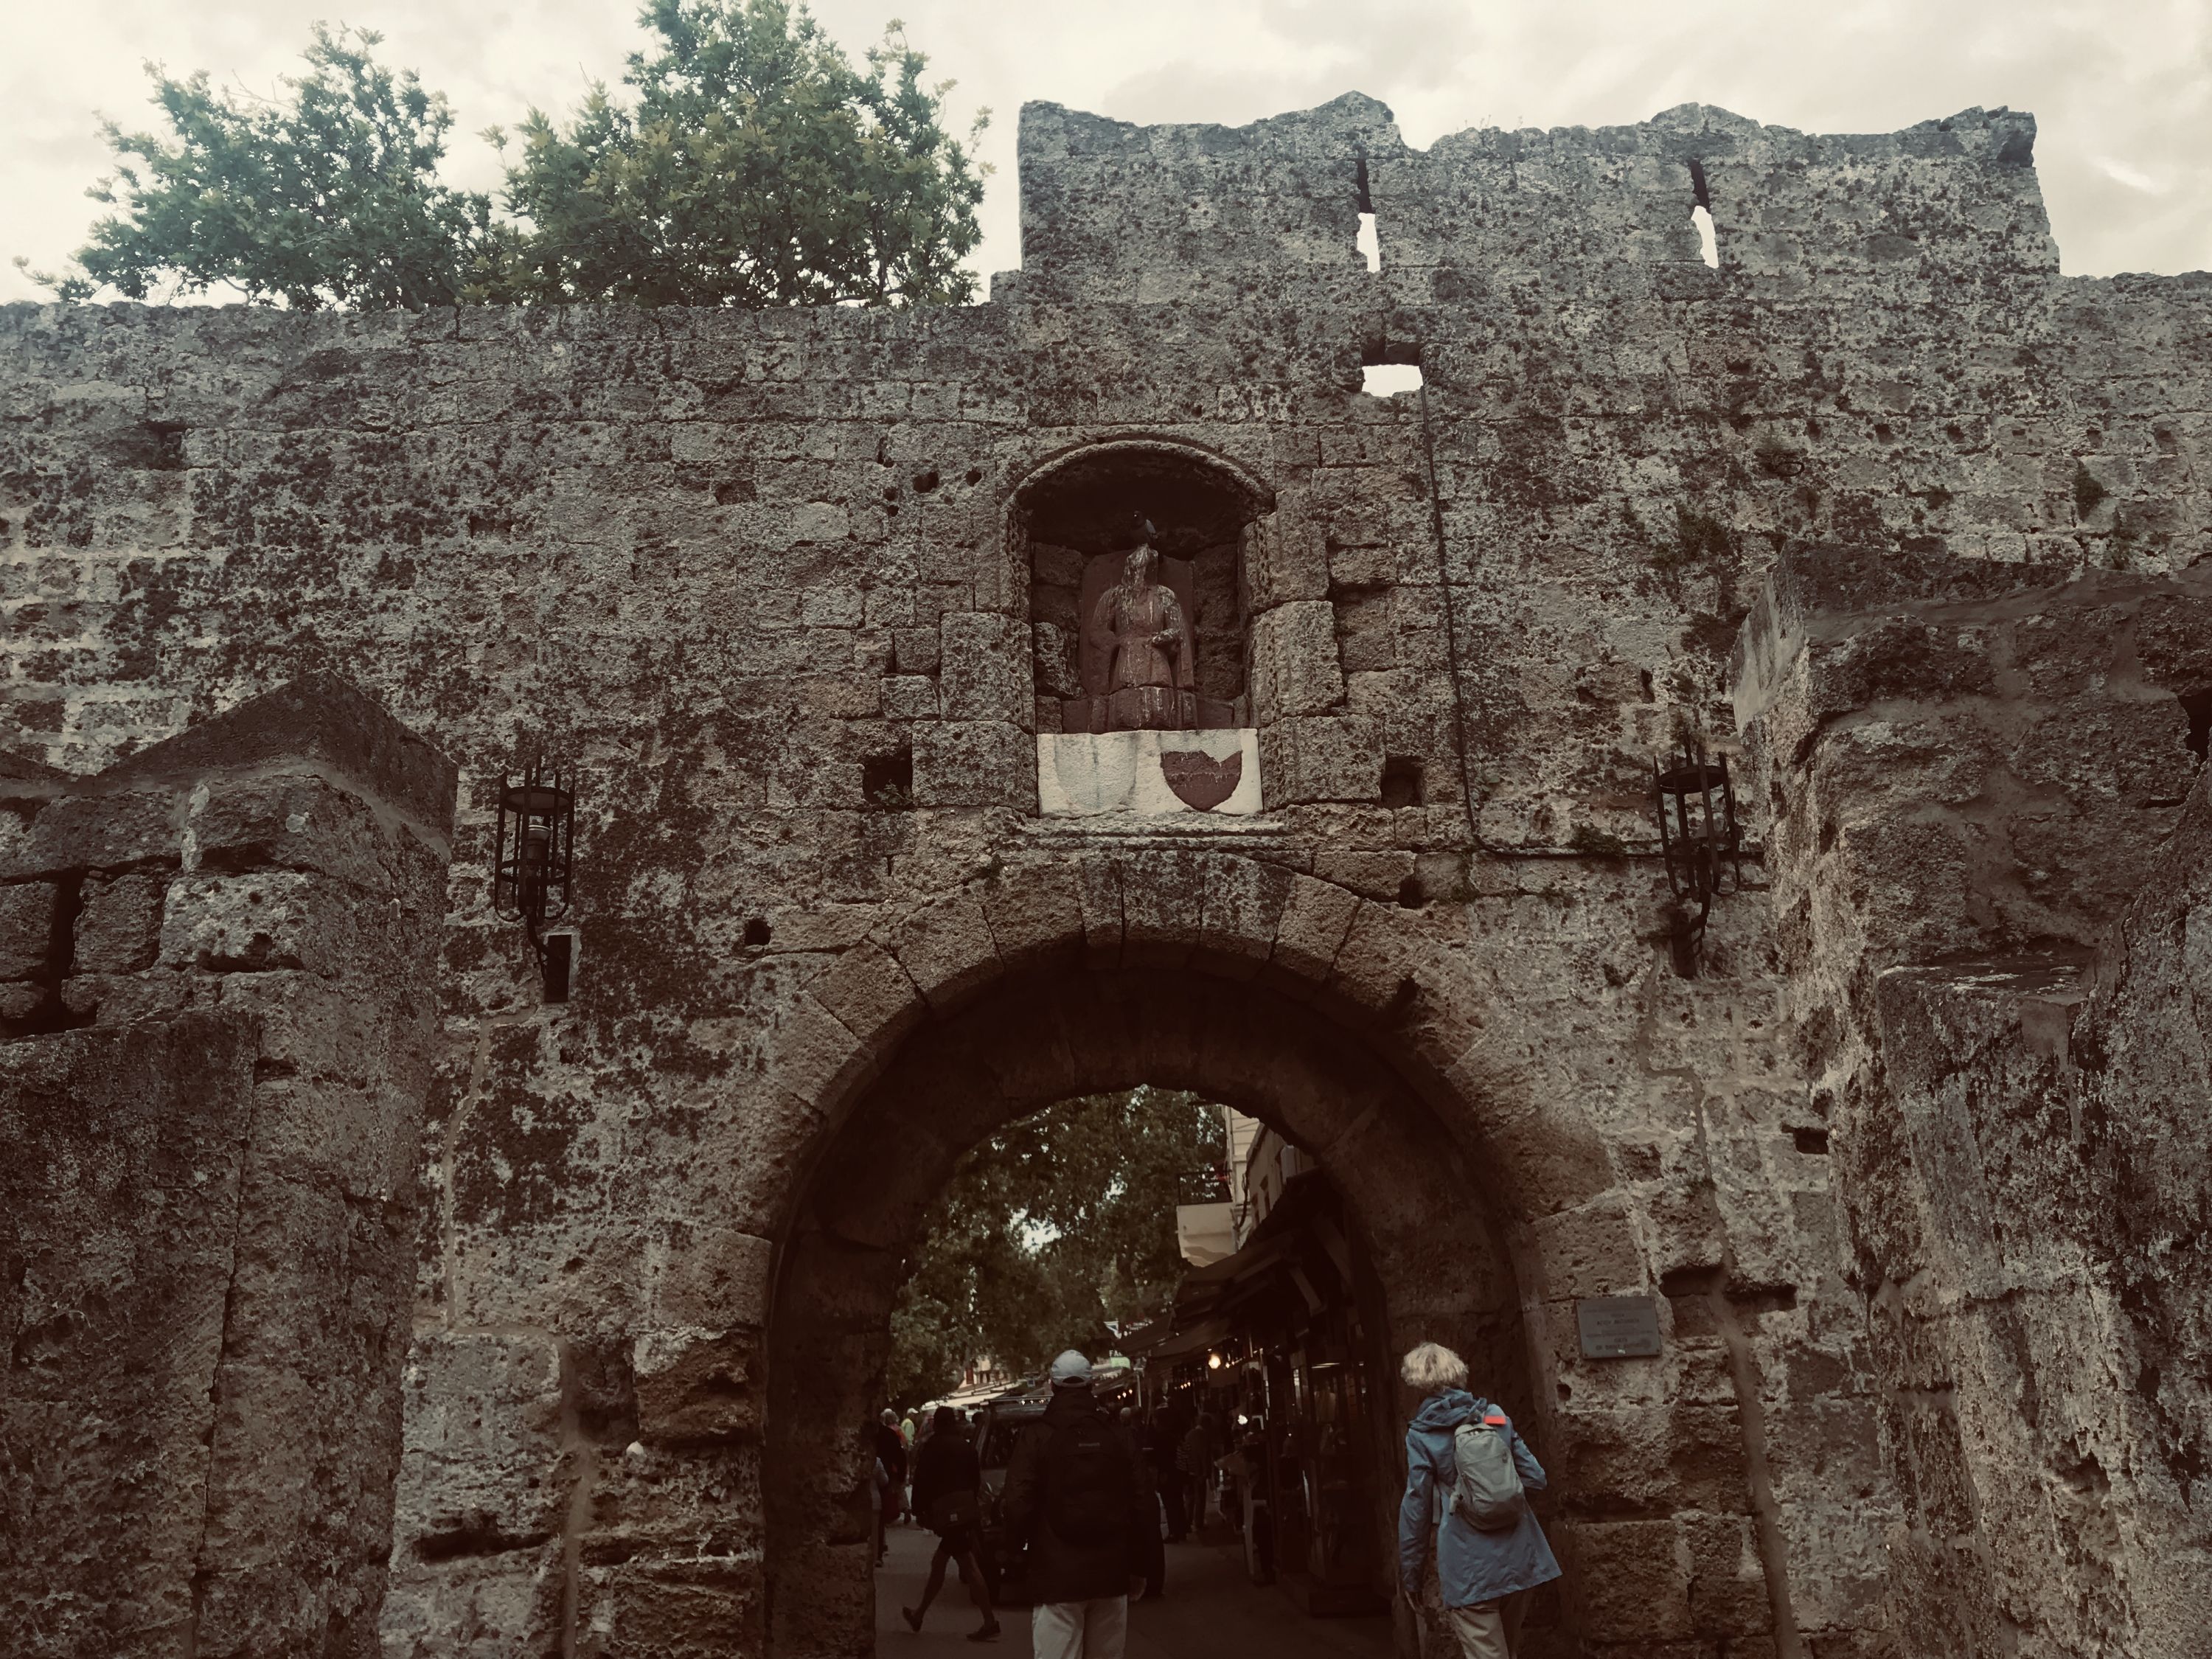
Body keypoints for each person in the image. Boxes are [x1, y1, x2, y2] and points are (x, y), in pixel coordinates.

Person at [1396, 1343, 1560, 1659]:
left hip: (1468, 1566)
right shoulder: (1494, 1416)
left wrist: (1411, 1574)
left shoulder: (1422, 1435)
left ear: (1416, 1383)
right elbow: (1536, 1478)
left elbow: (1417, 1507)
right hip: (1519, 1557)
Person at [1004, 1350, 1164, 1659]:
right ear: (1092, 1386)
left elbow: (1017, 1504)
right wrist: (1142, 1566)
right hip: (1111, 1574)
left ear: (1053, 1386)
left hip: (1056, 1576)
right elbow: (1144, 1503)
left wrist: (1016, 1555)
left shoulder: (1036, 1437)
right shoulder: (1118, 1435)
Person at [902, 1406, 1001, 1642]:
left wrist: (919, 1509)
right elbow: (975, 1479)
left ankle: (989, 1621)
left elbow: (923, 1479)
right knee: (944, 1563)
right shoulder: (966, 1447)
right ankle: (919, 1614)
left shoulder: (933, 1446)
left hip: (949, 1514)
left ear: (937, 1423)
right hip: (964, 1510)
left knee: (967, 1565)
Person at [876, 1408, 910, 1565]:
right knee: (880, 1515)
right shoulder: (889, 1434)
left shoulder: (871, 1435)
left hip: (875, 1474)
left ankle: (878, 1547)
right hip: (887, 1474)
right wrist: (901, 1475)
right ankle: (879, 1549)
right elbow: (900, 1454)